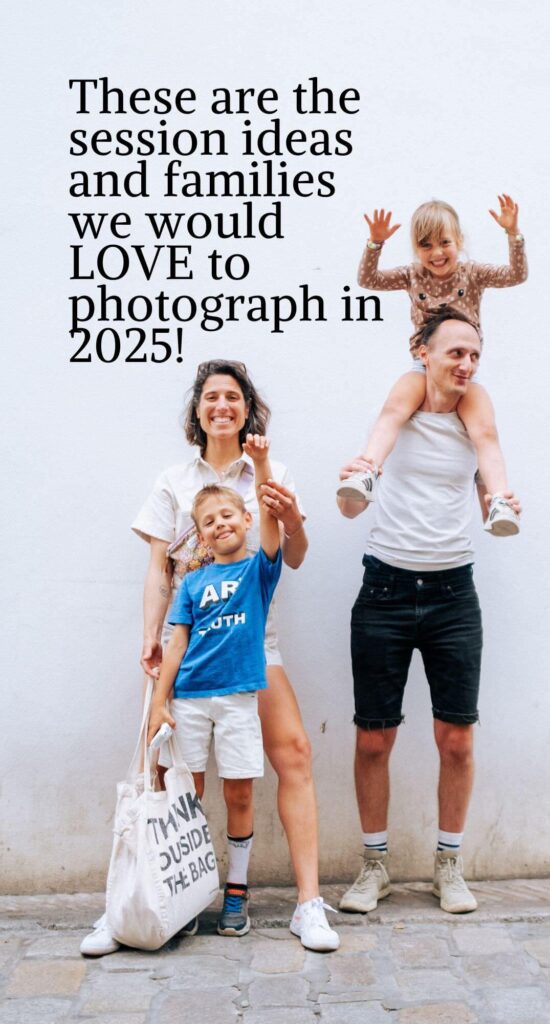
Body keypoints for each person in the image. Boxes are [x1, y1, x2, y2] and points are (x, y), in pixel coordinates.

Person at [81, 360, 339, 956]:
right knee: (166, 778)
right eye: (211, 397)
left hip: (255, 647)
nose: (222, 405)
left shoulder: (271, 472)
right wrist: (151, 634)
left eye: (233, 396)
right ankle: (137, 903)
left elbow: (290, 557)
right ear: (197, 411)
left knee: (294, 752)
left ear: (248, 409)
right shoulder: (172, 479)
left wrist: (293, 517)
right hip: (189, 650)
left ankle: (307, 905)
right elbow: (157, 569)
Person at [337, 308, 521, 915]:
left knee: (457, 738)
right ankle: (375, 867)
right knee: (373, 739)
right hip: (385, 588)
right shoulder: (410, 388)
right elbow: (390, 421)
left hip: (452, 595)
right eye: (455, 353)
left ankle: (448, 864)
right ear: (424, 351)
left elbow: (488, 447)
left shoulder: (476, 405)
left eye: (474, 354)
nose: (466, 364)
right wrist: (366, 468)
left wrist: (496, 497)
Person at [147, 434, 282, 938]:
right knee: (189, 794)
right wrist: (161, 704)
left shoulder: (259, 571)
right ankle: (189, 890)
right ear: (200, 537)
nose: (220, 524)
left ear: (245, 520)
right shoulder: (193, 585)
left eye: (228, 515)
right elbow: (175, 646)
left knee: (240, 794)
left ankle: (236, 891)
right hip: (189, 702)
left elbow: (274, 523)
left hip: (238, 701)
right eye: (208, 521)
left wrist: (263, 462)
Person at [337, 197, 527, 537]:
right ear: (416, 249)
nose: (436, 253)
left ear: (459, 242)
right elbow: (369, 280)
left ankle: (499, 499)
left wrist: (513, 235)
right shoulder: (413, 275)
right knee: (394, 409)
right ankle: (366, 471)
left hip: (462, 367)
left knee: (485, 431)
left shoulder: (473, 272)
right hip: (422, 366)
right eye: (425, 246)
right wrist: (375, 243)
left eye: (445, 243)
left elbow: (516, 275)